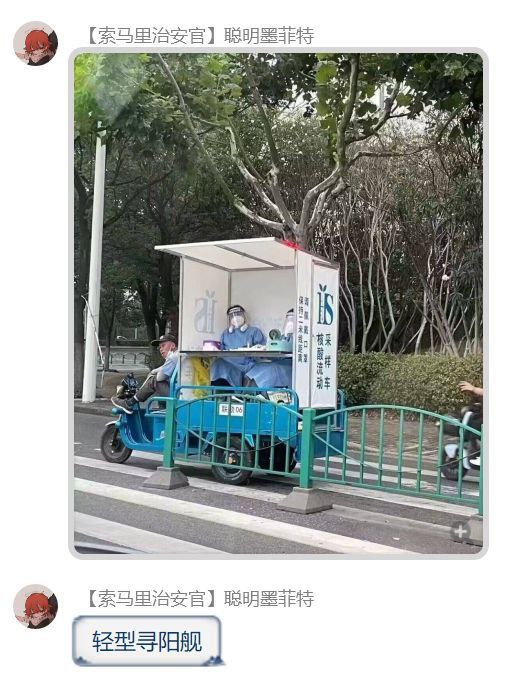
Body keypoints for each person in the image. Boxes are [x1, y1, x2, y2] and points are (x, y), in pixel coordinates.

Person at [111, 334, 178, 414]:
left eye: (163, 345)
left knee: (154, 381)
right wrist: (153, 371)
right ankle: (160, 410)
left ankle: (130, 403)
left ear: (173, 345)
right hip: (180, 393)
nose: (161, 349)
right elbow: (163, 368)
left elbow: (160, 378)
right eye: (160, 347)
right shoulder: (178, 355)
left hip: (178, 395)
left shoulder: (173, 357)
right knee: (157, 384)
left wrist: (154, 374)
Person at [210, 305, 265, 387]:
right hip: (230, 365)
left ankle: (236, 392)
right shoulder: (225, 334)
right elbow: (221, 349)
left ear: (244, 316)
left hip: (247, 367)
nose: (235, 318)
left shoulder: (254, 331)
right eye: (232, 316)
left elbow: (262, 349)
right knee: (218, 363)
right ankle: (218, 392)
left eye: (238, 314)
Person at [244, 309, 294, 389]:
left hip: (289, 366)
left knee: (268, 371)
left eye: (292, 320)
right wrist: (266, 352)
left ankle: (253, 393)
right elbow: (276, 354)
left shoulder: (303, 340)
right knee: (258, 367)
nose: (290, 324)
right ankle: (247, 393)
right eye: (289, 320)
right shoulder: (282, 337)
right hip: (277, 363)